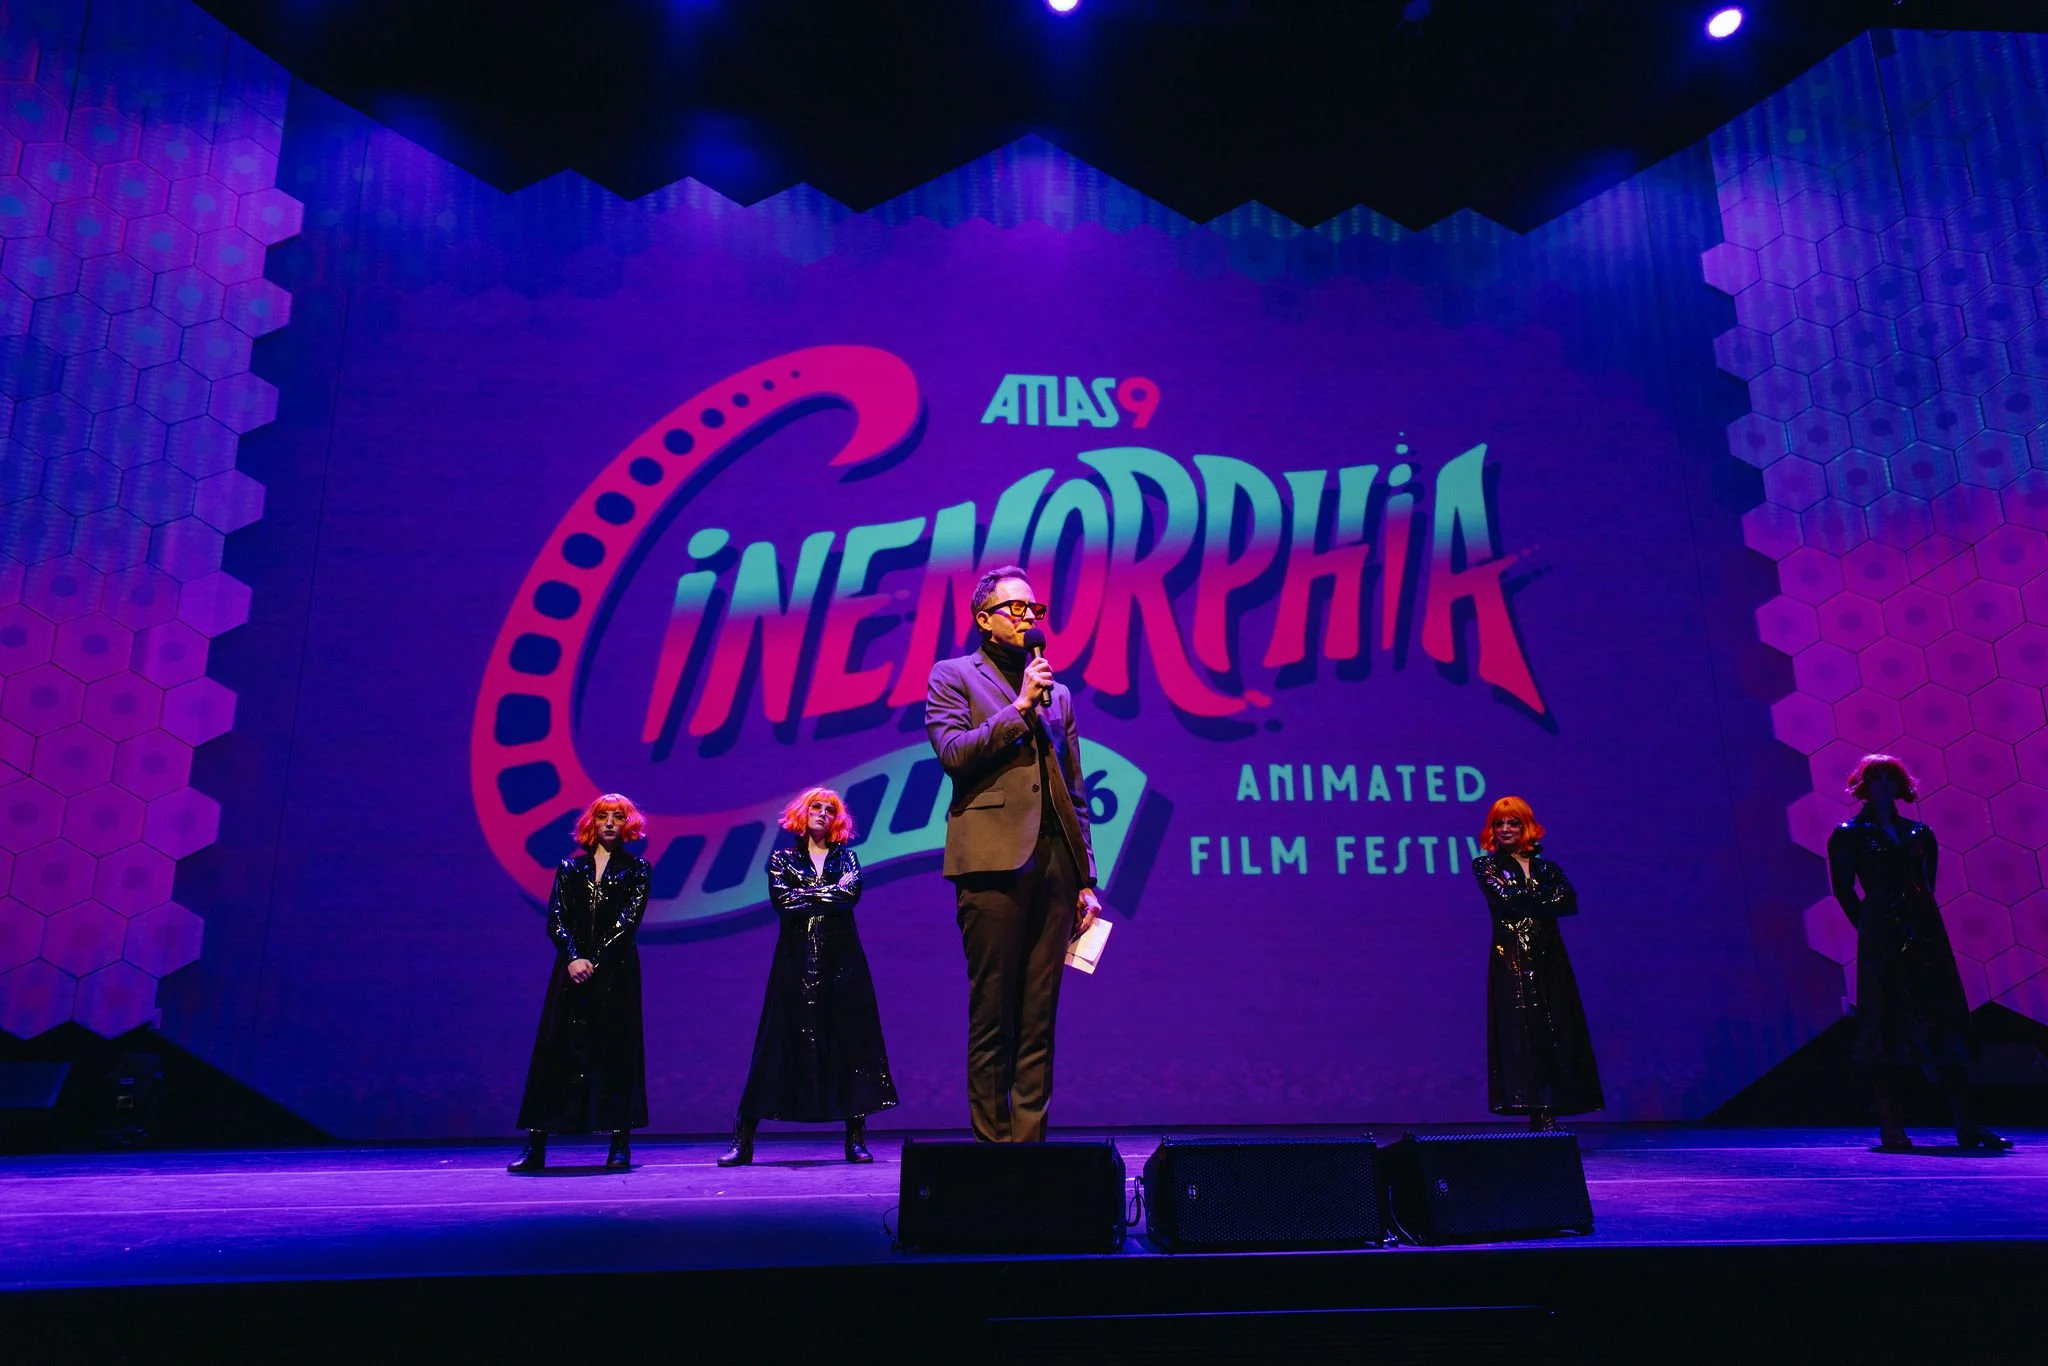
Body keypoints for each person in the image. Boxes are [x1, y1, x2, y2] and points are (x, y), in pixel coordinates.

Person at [924, 565, 1101, 1143]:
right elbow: (954, 754)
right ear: (984, 619)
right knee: (993, 1010)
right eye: (1015, 609)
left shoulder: (1060, 693)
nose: (1028, 618)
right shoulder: (953, 676)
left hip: (1054, 864)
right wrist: (1019, 709)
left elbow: (1074, 789)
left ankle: (1029, 1146)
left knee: (1039, 1014)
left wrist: (1085, 878)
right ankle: (992, 1149)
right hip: (991, 863)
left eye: (1035, 610)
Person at [1827, 754, 2012, 1153]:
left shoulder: (1918, 832)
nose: (1882, 787)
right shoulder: (1850, 834)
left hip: (1925, 933)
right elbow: (1843, 887)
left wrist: (1918, 921)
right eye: (1875, 779)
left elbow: (1927, 884)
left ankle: (1967, 1123)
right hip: (1881, 937)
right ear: (1863, 785)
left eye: (1889, 779)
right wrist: (1867, 925)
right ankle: (1891, 1125)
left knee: (1944, 1021)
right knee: (1884, 1023)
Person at [718, 787, 900, 1166]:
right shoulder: (782, 858)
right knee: (775, 1045)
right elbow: (785, 903)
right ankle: (744, 1138)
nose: (821, 813)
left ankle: (855, 1138)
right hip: (795, 964)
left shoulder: (846, 856)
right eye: (815, 807)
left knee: (848, 1045)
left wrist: (816, 893)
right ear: (802, 814)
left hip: (842, 964)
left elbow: (850, 896)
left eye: (829, 809)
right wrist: (828, 892)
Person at [509, 793, 651, 1173]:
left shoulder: (637, 869)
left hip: (615, 973)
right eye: (602, 816)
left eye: (617, 817)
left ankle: (619, 1143)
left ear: (627, 825)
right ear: (591, 823)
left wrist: (596, 960)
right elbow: (557, 919)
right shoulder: (570, 869)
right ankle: (536, 1143)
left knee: (617, 1052)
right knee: (555, 1052)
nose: (609, 823)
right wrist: (574, 957)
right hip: (571, 971)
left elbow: (627, 922)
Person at [1470, 796, 1603, 1131]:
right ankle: (1538, 1113)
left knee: (1558, 1029)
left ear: (1525, 825)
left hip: (1550, 957)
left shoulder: (1547, 867)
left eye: (1512, 822)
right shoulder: (1485, 866)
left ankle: (1555, 1107)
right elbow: (1507, 900)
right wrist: (1543, 901)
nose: (1504, 829)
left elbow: (1568, 900)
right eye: (1499, 824)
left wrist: (1535, 900)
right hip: (1511, 957)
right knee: (1523, 1033)